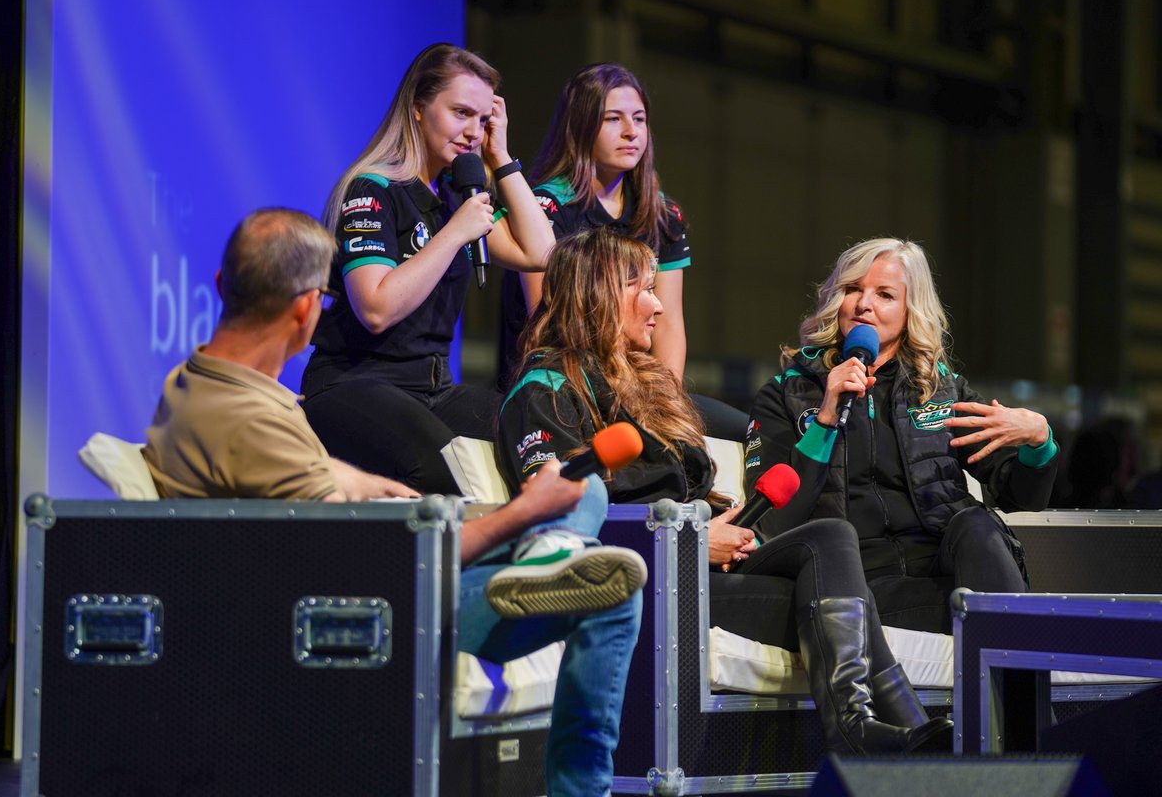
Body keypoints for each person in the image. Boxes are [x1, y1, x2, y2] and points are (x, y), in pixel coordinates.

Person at [143, 208, 644, 796]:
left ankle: (551, 549)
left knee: (578, 506)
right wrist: (522, 513)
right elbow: (379, 570)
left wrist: (357, 482)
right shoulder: (251, 423)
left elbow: (284, 467)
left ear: (223, 286)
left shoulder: (197, 383)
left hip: (355, 585)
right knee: (608, 589)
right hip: (367, 617)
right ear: (307, 311)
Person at [497, 227, 952, 755]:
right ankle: (890, 733)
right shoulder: (544, 390)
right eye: (642, 289)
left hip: (700, 565)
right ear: (598, 295)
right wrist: (688, 539)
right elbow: (559, 513)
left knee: (829, 537)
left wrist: (722, 522)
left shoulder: (647, 387)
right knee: (824, 592)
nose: (658, 307)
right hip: (653, 581)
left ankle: (877, 729)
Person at [744, 238, 1059, 633]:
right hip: (858, 583)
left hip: (945, 572)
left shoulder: (943, 389)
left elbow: (1022, 497)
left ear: (910, 310)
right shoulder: (787, 392)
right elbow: (772, 519)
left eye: (885, 294)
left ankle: (1015, 658)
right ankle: (1010, 641)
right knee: (997, 621)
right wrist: (826, 416)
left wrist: (1039, 441)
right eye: (853, 289)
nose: (864, 304)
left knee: (976, 525)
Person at [301, 43, 554, 495]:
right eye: (460, 113)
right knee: (448, 473)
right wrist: (453, 234)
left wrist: (501, 157)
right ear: (419, 109)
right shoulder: (373, 190)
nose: (472, 131)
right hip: (356, 383)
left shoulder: (456, 198)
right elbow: (375, 308)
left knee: (537, 445)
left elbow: (541, 252)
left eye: (482, 119)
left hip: (432, 387)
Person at [497, 62, 745, 439]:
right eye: (613, 119)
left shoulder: (662, 214)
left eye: (640, 119)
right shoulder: (544, 208)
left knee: (750, 434)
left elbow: (668, 323)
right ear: (581, 127)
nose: (631, 132)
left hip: (639, 390)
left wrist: (666, 402)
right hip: (565, 392)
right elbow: (549, 324)